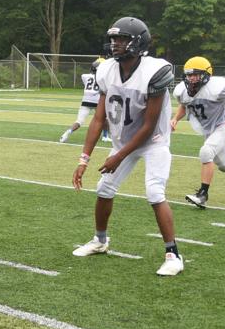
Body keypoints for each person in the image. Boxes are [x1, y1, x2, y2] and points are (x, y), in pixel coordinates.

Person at [71, 17, 183, 277]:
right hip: (124, 141)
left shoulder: (156, 71)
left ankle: (173, 254)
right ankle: (100, 241)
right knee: (104, 189)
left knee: (155, 192)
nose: (116, 44)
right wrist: (83, 158)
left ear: (139, 42)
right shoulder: (106, 69)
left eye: (122, 39)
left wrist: (118, 157)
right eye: (114, 39)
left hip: (153, 141)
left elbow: (149, 125)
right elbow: (99, 118)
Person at [170, 56, 225, 209]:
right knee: (224, 165)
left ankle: (203, 194)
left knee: (206, 152)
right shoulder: (183, 91)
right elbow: (185, 106)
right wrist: (175, 119)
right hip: (209, 129)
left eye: (195, 74)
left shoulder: (216, 87)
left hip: (224, 125)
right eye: (189, 75)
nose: (191, 78)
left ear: (206, 75)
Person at [60, 57, 111, 143]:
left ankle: (68, 132)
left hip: (85, 101)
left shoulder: (85, 76)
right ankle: (105, 136)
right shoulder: (103, 78)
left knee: (79, 121)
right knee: (104, 119)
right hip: (97, 101)